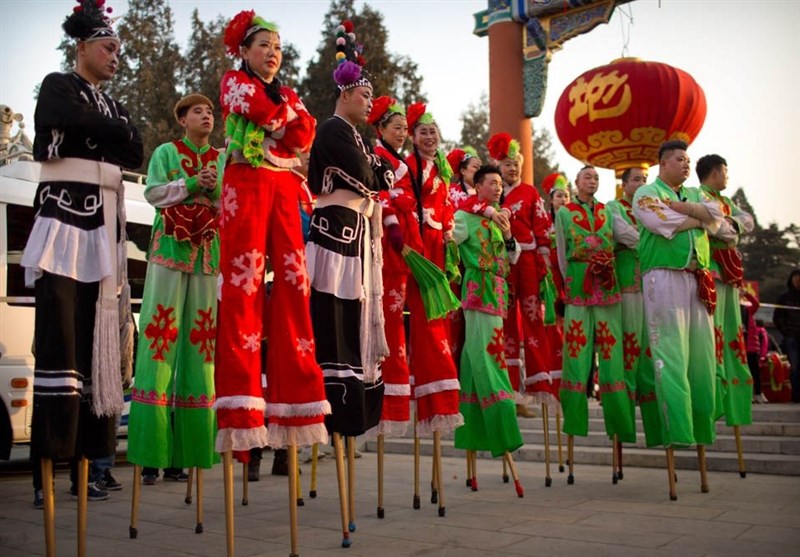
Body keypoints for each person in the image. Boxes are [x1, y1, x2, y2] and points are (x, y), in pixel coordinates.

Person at [22, 0, 143, 510]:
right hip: (65, 225)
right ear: (82, 47)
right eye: (108, 47)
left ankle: (90, 464)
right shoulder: (57, 83)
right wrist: (106, 132)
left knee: (100, 349)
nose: (116, 57)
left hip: (102, 232)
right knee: (61, 343)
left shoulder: (109, 105)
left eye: (119, 49)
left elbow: (133, 149)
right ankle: (48, 466)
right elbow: (60, 118)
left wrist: (99, 129)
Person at [214, 11, 330, 462]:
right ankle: (242, 405)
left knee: (295, 286)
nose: (272, 54)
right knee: (242, 289)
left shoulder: (290, 93)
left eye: (278, 48)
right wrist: (284, 124)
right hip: (246, 183)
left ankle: (297, 402)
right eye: (263, 45)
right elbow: (265, 113)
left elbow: (306, 132)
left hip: (284, 188)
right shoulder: (232, 81)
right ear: (244, 51)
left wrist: (281, 124)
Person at [127, 93, 223, 485]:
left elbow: (227, 204)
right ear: (182, 119)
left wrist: (214, 189)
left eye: (210, 111)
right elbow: (152, 192)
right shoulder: (167, 152)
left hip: (205, 258)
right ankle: (152, 454)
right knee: (158, 341)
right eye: (198, 111)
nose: (206, 116)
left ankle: (189, 452)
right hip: (169, 252)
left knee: (202, 348)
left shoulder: (219, 159)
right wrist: (189, 183)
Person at [306, 27, 392, 439]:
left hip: (357, 234)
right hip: (334, 234)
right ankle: (335, 407)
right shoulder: (332, 130)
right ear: (344, 94)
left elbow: (380, 175)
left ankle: (354, 409)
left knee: (355, 315)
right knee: (334, 316)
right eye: (365, 95)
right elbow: (367, 175)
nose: (370, 102)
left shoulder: (357, 136)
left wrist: (376, 169)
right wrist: (375, 169)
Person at [633, 140, 726, 497]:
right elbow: (662, 223)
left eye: (688, 160)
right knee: (669, 355)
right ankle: (679, 430)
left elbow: (719, 218)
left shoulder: (692, 192)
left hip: (696, 279)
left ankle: (701, 425)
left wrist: (687, 208)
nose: (686, 165)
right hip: (664, 277)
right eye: (679, 159)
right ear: (661, 163)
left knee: (702, 358)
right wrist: (698, 217)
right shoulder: (645, 192)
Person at [391, 102, 464, 437]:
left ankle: (442, 390)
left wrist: (448, 230)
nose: (429, 136)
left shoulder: (442, 170)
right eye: (422, 131)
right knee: (421, 317)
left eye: (433, 131)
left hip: (438, 244)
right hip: (418, 245)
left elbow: (446, 205)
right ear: (413, 137)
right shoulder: (409, 166)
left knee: (437, 319)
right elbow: (399, 198)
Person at [555, 165, 635, 457]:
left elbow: (624, 239)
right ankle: (574, 425)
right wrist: (572, 281)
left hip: (608, 289)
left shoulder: (608, 211)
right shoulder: (564, 213)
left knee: (613, 359)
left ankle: (620, 428)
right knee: (576, 357)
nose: (592, 181)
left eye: (596, 178)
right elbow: (562, 255)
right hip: (578, 288)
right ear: (576, 182)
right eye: (587, 177)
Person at [452, 165, 523, 457]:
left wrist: (507, 235)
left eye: (499, 184)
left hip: (497, 291)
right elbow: (448, 242)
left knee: (477, 356)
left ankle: (475, 432)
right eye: (491, 183)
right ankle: (502, 420)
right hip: (478, 288)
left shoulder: (499, 218)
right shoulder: (465, 216)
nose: (497, 187)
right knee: (486, 355)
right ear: (477, 186)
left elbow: (513, 255)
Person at [486, 133, 551, 417]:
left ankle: (538, 386)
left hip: (527, 261)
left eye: (516, 164)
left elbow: (543, 227)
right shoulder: (493, 195)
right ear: (498, 166)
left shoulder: (530, 193)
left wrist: (543, 260)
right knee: (506, 324)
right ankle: (512, 392)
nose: (512, 169)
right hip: (502, 263)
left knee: (533, 317)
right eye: (507, 164)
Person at [606, 167, 663, 448]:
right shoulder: (613, 208)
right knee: (630, 352)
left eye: (644, 179)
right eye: (636, 180)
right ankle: (624, 430)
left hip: (653, 285)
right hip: (628, 284)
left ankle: (659, 432)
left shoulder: (655, 206)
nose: (642, 184)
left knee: (652, 355)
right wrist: (658, 239)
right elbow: (628, 236)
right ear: (624, 184)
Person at [697, 154, 755, 426]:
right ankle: (715, 391)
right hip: (714, 271)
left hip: (731, 273)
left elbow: (746, 221)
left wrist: (731, 225)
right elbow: (721, 229)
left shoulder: (726, 201)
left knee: (733, 332)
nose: (727, 176)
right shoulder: (701, 197)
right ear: (715, 172)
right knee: (715, 330)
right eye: (725, 171)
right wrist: (731, 226)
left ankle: (736, 398)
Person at [369, 96, 412, 437]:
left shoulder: (405, 162)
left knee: (396, 319)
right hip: (382, 241)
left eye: (405, 128)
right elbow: (377, 193)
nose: (403, 133)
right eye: (396, 127)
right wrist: (394, 217)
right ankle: (379, 395)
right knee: (384, 317)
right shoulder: (376, 157)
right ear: (381, 129)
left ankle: (396, 394)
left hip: (404, 246)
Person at [774, 269, 800, 402]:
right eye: (795, 278)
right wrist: (786, 332)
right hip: (791, 338)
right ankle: (796, 396)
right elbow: (777, 318)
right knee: (794, 367)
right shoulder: (784, 298)